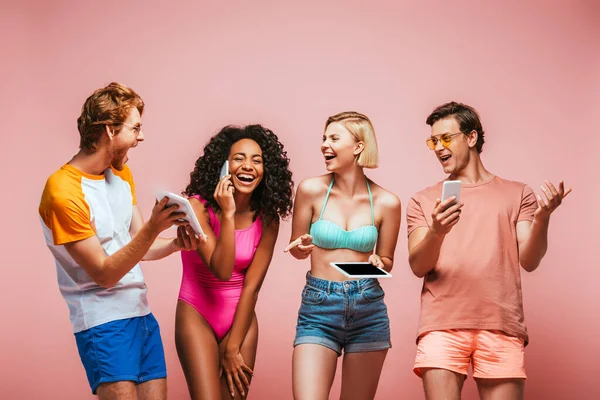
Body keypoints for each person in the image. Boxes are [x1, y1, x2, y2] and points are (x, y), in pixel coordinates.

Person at [38, 82, 202, 399]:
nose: (141, 137)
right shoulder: (63, 192)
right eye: (135, 128)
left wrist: (172, 243)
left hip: (141, 314)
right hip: (103, 324)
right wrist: (153, 228)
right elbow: (105, 273)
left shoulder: (120, 172)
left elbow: (138, 246)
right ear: (111, 131)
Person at [406, 101, 571, 400]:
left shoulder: (517, 193)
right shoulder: (423, 199)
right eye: (433, 140)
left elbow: (529, 261)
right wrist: (437, 231)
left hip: (501, 324)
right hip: (442, 324)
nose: (437, 147)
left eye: (446, 138)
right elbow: (418, 265)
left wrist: (543, 219)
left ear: (471, 138)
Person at [285, 111, 402, 400]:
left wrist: (378, 263)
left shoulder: (388, 202)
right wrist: (300, 247)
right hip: (319, 305)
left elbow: (386, 262)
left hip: (368, 308)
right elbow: (297, 248)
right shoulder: (311, 190)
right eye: (324, 138)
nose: (325, 144)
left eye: (334, 138)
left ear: (359, 146)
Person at [175, 124, 294, 400]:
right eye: (239, 158)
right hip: (197, 313)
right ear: (223, 166)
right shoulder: (197, 208)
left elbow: (252, 287)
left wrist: (233, 346)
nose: (248, 166)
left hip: (240, 320)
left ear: (266, 171)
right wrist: (227, 215)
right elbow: (222, 269)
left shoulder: (267, 219)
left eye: (257, 160)